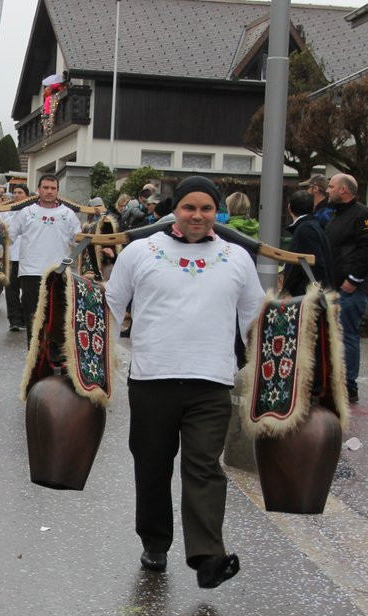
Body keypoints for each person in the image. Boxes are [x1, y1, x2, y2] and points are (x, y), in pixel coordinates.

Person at [104, 175, 264, 589]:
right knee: (153, 466)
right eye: (189, 207)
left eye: (206, 208)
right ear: (175, 209)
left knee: (204, 467)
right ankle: (155, 542)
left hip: (210, 382)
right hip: (152, 379)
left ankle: (208, 557)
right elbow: (110, 305)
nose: (197, 215)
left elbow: (256, 321)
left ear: (217, 213)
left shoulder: (237, 258)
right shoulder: (141, 251)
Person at [325, 173, 368, 403]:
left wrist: (353, 279)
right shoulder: (336, 216)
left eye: (331, 186)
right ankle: (336, 383)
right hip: (335, 288)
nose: (327, 190)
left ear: (343, 191)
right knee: (336, 336)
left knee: (347, 335)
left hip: (351, 290)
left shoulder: (363, 216)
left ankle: (349, 385)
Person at [6, 174, 81, 332]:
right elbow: (8, 237)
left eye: (53, 188)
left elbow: (79, 242)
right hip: (30, 273)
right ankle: (33, 356)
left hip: (58, 273)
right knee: (33, 322)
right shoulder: (26, 212)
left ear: (57, 191)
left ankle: (53, 357)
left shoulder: (68, 215)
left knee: (56, 321)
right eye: (45, 188)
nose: (49, 191)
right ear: (39, 190)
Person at [281, 190, 333, 298]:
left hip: (307, 296)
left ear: (289, 208)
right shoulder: (314, 226)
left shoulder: (305, 229)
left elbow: (314, 264)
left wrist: (286, 290)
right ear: (313, 208)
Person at [4, 183, 29, 332]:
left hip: (27, 258)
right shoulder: (8, 214)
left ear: (27, 195)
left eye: (20, 192)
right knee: (11, 290)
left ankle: (25, 318)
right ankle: (14, 319)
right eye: (15, 192)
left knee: (27, 292)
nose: (17, 195)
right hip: (11, 257)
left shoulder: (32, 213)